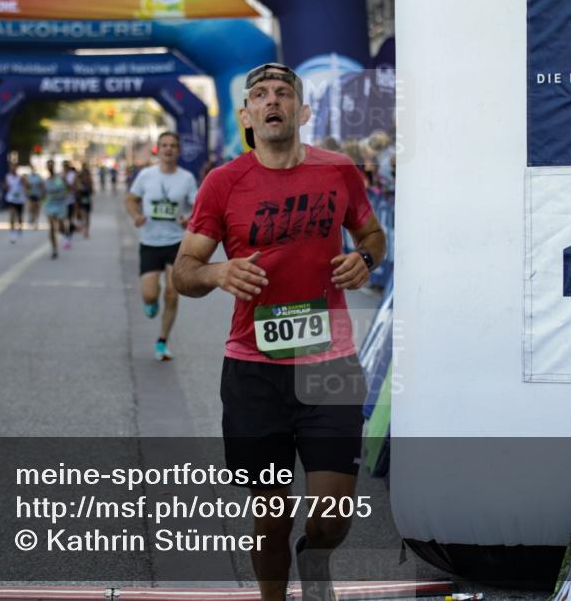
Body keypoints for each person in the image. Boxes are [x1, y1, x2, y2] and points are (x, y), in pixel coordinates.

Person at [173, 63, 386, 601]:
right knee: (270, 520)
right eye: (261, 95)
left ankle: (315, 559)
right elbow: (184, 271)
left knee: (332, 519)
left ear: (302, 111)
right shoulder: (223, 183)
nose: (273, 101)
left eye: (284, 93)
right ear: (246, 115)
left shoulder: (339, 171)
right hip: (255, 372)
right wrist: (218, 272)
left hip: (329, 365)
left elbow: (373, 234)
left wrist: (364, 259)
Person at [126, 132, 197, 360]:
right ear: (158, 149)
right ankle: (151, 302)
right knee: (149, 295)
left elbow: (198, 206)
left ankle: (162, 341)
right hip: (150, 242)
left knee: (172, 294)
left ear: (178, 150)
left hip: (176, 243)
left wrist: (189, 219)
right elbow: (131, 199)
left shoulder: (187, 178)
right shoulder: (146, 175)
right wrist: (136, 216)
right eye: (164, 145)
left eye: (173, 146)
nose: (168, 149)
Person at [43, 159, 71, 259]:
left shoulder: (60, 178)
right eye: (48, 165)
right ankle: (54, 249)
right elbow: (44, 193)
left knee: (60, 225)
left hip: (60, 204)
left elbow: (68, 187)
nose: (50, 167)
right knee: (51, 227)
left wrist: (66, 194)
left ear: (54, 166)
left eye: (51, 165)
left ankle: (65, 234)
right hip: (50, 204)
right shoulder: (46, 180)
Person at [3, 162, 27, 243]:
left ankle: (20, 228)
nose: (12, 169)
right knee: (12, 216)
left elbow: (26, 186)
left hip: (20, 199)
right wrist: (6, 186)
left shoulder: (20, 177)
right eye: (11, 167)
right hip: (11, 199)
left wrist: (23, 182)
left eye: (14, 167)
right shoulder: (8, 176)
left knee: (19, 216)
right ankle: (12, 232)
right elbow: (5, 186)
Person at [77, 167, 94, 239]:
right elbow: (77, 192)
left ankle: (86, 230)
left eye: (86, 174)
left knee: (87, 217)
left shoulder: (89, 182)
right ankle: (84, 230)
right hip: (81, 201)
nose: (85, 176)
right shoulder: (79, 182)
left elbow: (92, 192)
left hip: (87, 201)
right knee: (83, 216)